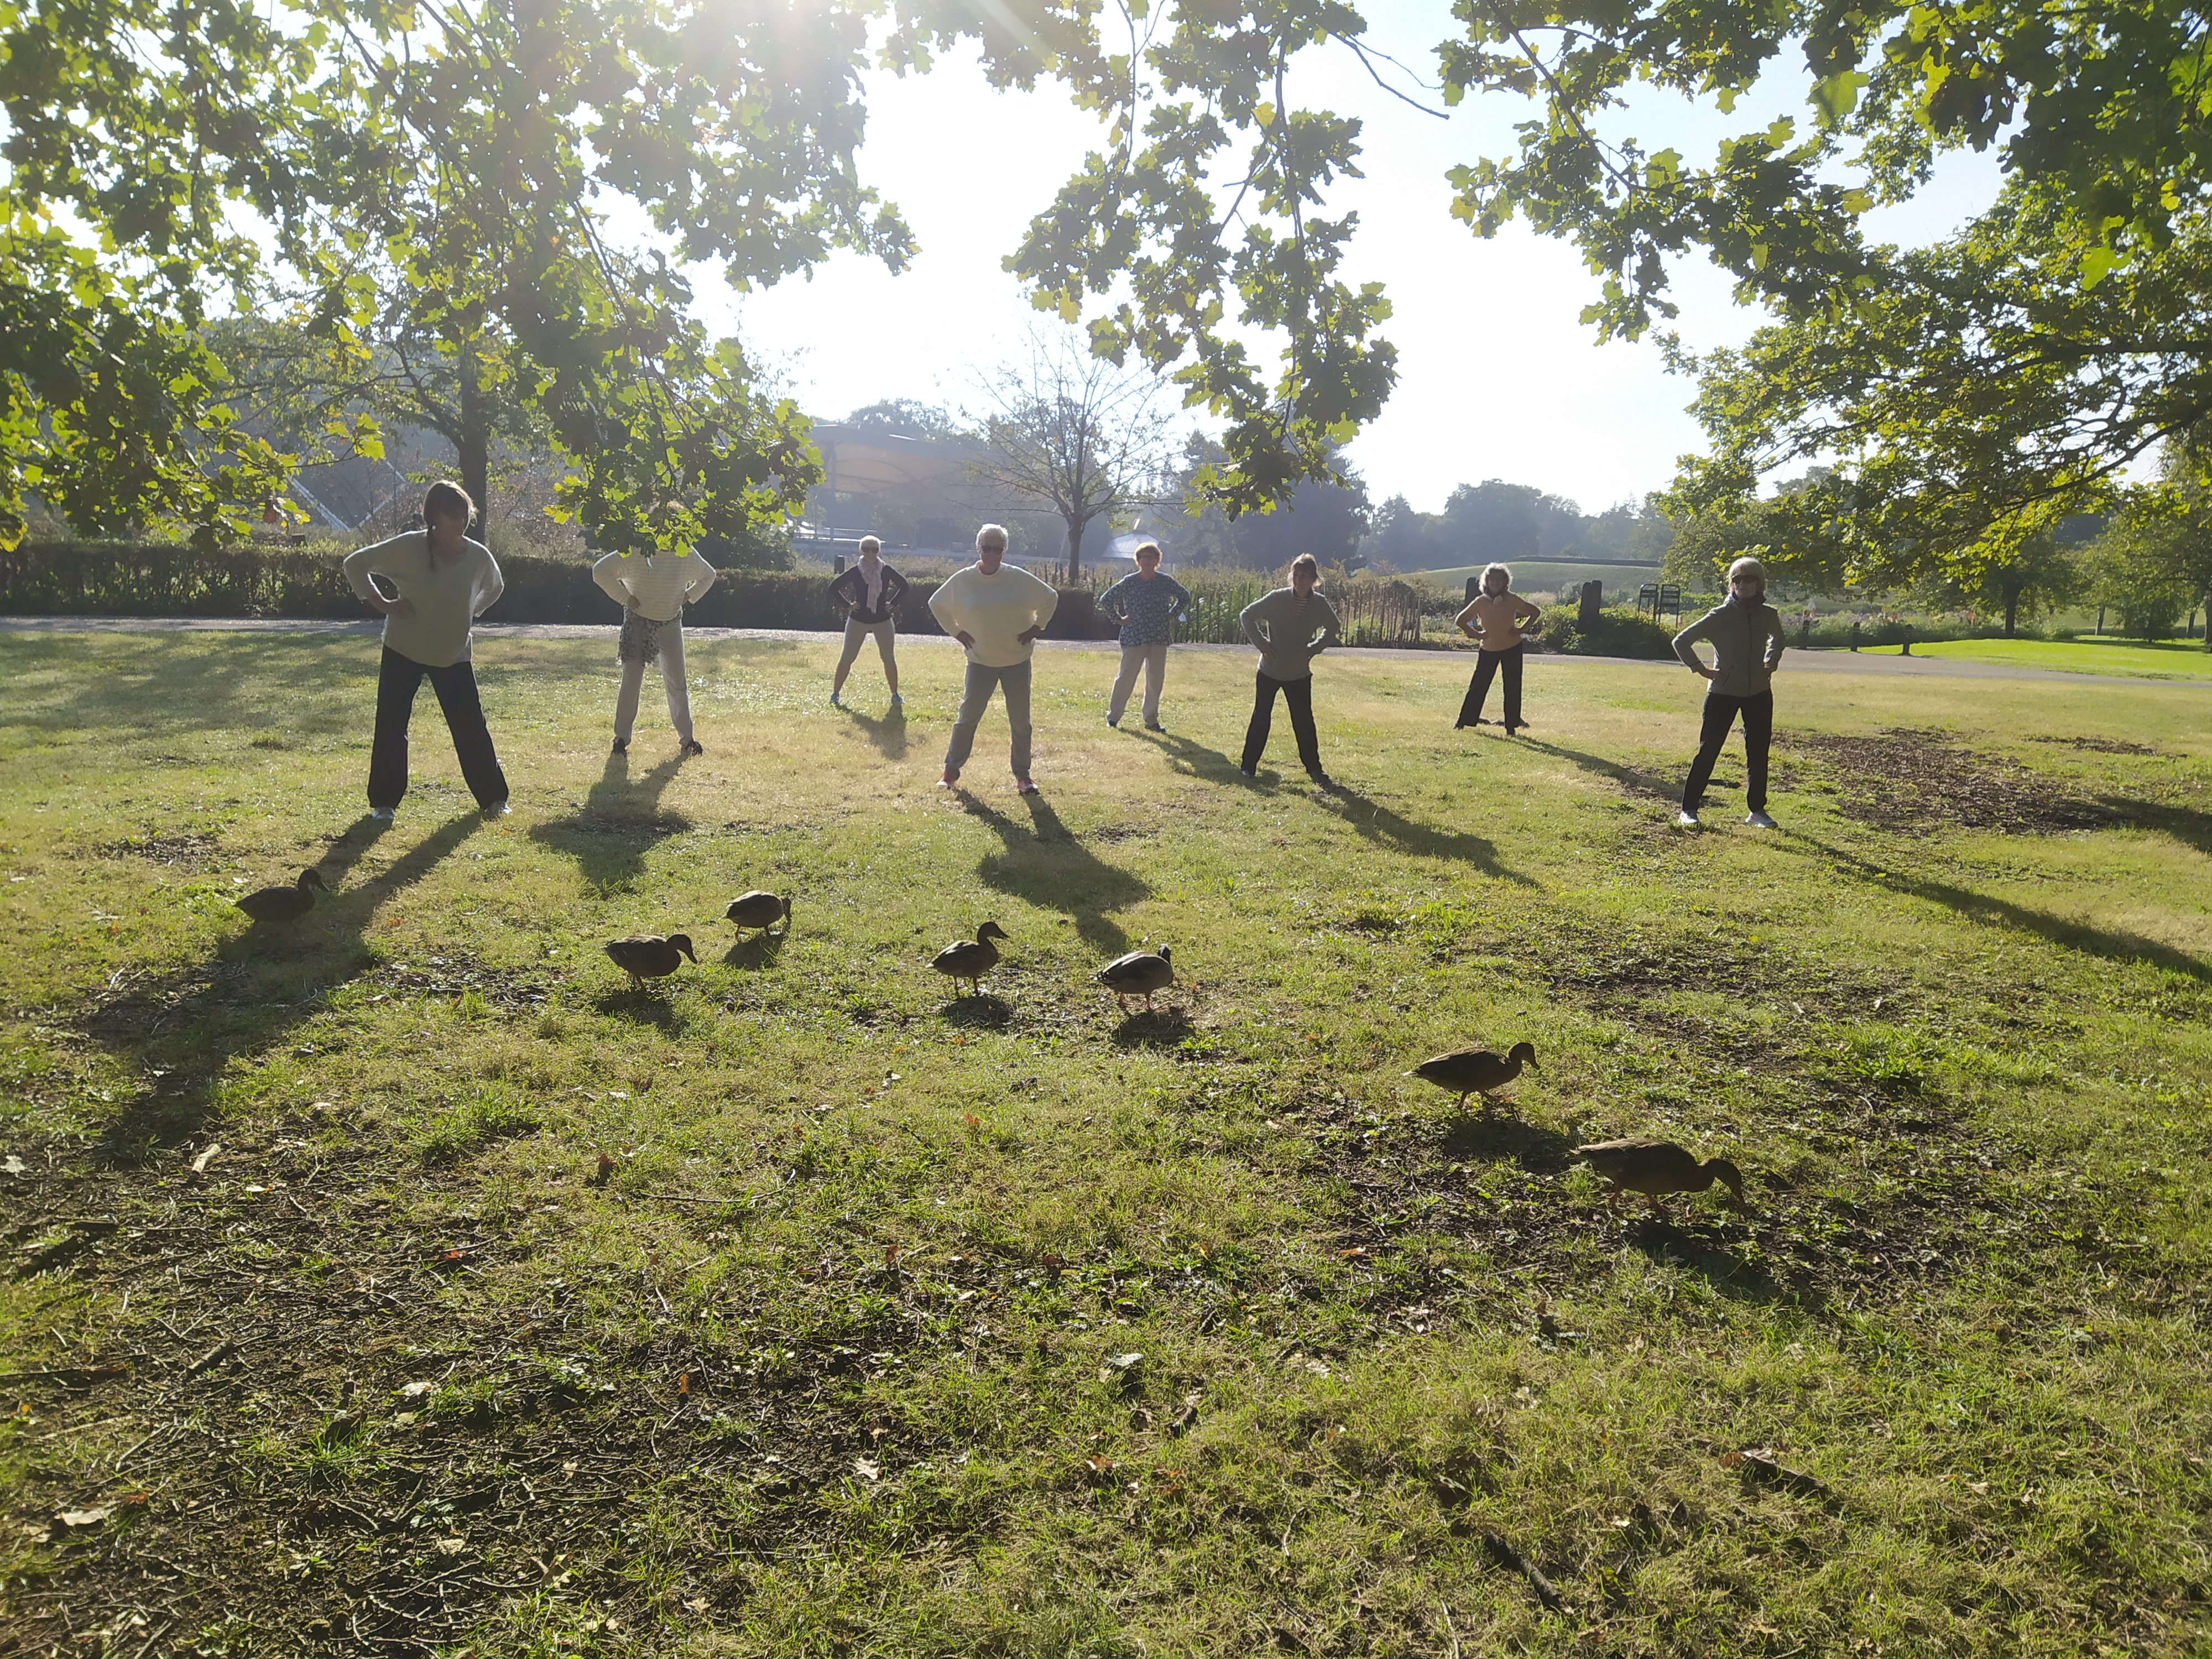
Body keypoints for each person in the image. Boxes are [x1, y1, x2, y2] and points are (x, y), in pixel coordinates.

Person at [342, 481, 510, 823]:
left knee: (470, 728)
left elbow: (496, 586)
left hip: (454, 655)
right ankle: (384, 804)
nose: (460, 522)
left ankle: (494, 799)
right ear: (433, 517)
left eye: (465, 514)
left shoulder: (478, 556)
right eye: (452, 515)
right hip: (403, 650)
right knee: (391, 725)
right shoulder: (408, 548)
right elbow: (355, 564)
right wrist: (382, 603)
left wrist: (471, 612)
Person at [929, 524, 1059, 793]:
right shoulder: (964, 580)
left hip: (1016, 661)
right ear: (978, 549)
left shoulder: (1018, 578)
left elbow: (1050, 598)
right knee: (967, 718)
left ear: (1004, 551)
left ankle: (1024, 777)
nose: (991, 553)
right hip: (980, 661)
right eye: (986, 548)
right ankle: (950, 772)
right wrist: (956, 632)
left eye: (997, 548)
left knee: (1021, 721)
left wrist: (1037, 627)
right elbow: (936, 603)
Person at [1672, 555, 1787, 830]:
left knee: (1758, 752)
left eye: (1749, 578)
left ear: (1759, 583)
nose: (1743, 583)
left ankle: (1757, 811)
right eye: (1737, 579)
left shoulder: (1768, 614)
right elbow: (1682, 641)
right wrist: (1701, 669)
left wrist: (1771, 662)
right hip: (1722, 694)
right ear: (1731, 584)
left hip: (1759, 693)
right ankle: (1688, 810)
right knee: (1708, 750)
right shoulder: (1720, 615)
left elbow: (1779, 639)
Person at [591, 541, 719, 756]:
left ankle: (687, 740)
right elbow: (600, 571)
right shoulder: (636, 551)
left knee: (678, 684)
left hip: (670, 625)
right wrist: (625, 598)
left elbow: (709, 574)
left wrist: (690, 594)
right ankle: (621, 740)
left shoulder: (684, 551)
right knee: (631, 684)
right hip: (637, 625)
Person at [1238, 553, 1343, 788]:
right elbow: (1247, 615)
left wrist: (1315, 648)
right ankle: (1248, 767)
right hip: (1269, 670)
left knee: (1304, 721)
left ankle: (1314, 769)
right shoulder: (1277, 598)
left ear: (1314, 579)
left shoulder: (1319, 604)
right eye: (1295, 574)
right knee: (1261, 717)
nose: (1298, 579)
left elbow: (1333, 627)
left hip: (1299, 673)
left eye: (1304, 575)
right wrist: (1262, 644)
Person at [1098, 540, 1191, 730]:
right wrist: (1118, 619)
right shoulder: (1130, 582)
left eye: (1151, 557)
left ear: (1158, 559)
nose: (1146, 560)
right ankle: (1113, 717)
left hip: (1158, 637)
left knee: (1155, 679)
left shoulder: (1164, 581)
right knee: (1126, 677)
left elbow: (1185, 596)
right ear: (1138, 560)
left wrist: (1172, 614)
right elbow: (1106, 599)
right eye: (1143, 557)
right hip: (1135, 636)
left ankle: (1151, 719)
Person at [1453, 563, 1543, 733]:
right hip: (1488, 650)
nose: (1495, 582)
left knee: (1512, 687)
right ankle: (1462, 722)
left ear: (1505, 582)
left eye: (1499, 579)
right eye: (1492, 578)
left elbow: (1535, 612)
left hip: (1513, 648)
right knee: (1478, 687)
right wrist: (1477, 634)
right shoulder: (1480, 602)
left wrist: (1522, 630)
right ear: (1486, 581)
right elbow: (1460, 620)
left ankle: (1511, 727)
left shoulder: (1512, 599)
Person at [828, 536, 909, 708]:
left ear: (879, 551)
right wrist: (848, 605)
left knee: (888, 658)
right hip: (858, 619)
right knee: (847, 657)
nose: (870, 553)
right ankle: (835, 694)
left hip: (883, 620)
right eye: (866, 549)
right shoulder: (856, 571)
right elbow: (833, 588)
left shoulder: (885, 570)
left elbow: (904, 585)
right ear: (861, 551)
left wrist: (892, 604)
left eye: (874, 549)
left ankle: (895, 694)